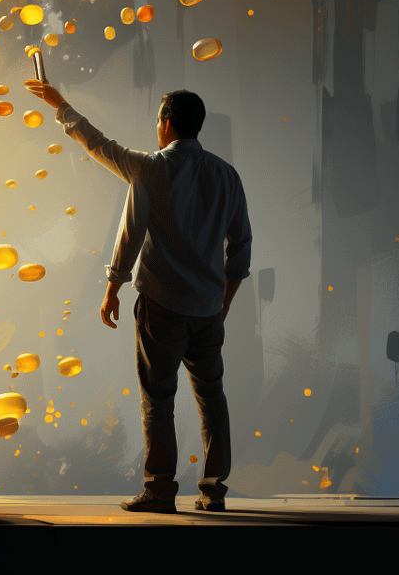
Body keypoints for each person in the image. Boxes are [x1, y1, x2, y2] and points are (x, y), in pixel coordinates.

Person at [24, 77, 251, 514]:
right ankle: (214, 491)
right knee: (212, 397)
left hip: (161, 306)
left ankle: (160, 490)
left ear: (165, 123)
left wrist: (61, 103)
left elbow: (99, 149)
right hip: (207, 308)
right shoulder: (227, 176)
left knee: (158, 398)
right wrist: (223, 302)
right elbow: (240, 248)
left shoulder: (149, 168)